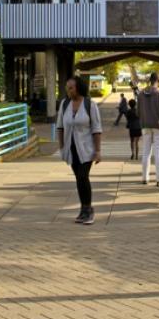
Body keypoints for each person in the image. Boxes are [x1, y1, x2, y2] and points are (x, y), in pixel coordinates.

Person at [56, 76, 102, 225]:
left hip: (86, 149)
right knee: (79, 179)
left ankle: (88, 210)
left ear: (78, 88)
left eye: (71, 88)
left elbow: (96, 129)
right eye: (67, 88)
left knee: (83, 176)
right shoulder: (64, 104)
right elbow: (60, 127)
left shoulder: (90, 105)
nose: (68, 91)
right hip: (71, 148)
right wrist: (62, 147)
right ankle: (83, 209)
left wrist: (98, 151)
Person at [138, 72, 159, 186]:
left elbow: (138, 111)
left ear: (149, 81)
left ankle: (144, 178)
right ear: (158, 81)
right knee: (158, 152)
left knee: (146, 152)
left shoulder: (141, 93)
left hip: (145, 125)